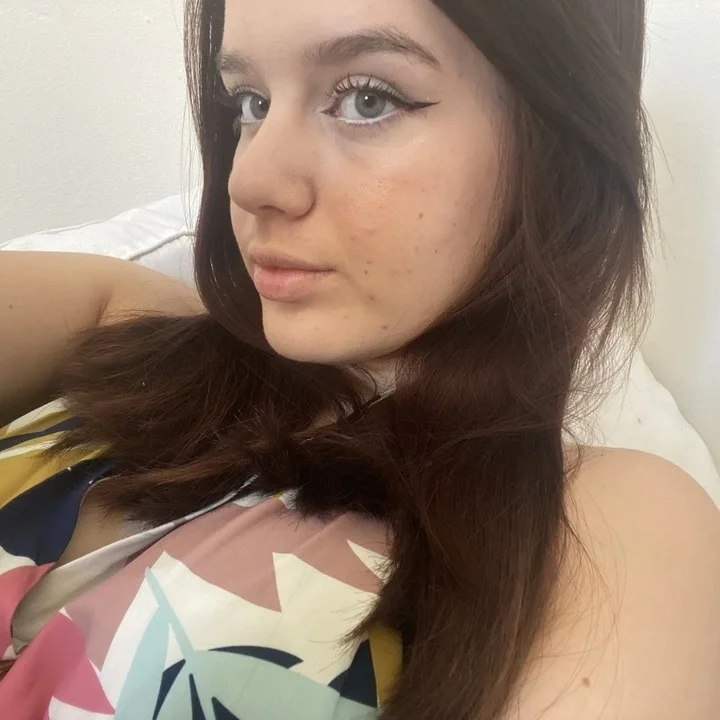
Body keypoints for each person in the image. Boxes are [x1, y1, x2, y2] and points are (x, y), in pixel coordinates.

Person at [1, 0, 719, 717]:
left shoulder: (603, 527)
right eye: (250, 102)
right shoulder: (127, 316)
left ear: (559, 148)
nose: (249, 181)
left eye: (368, 99)